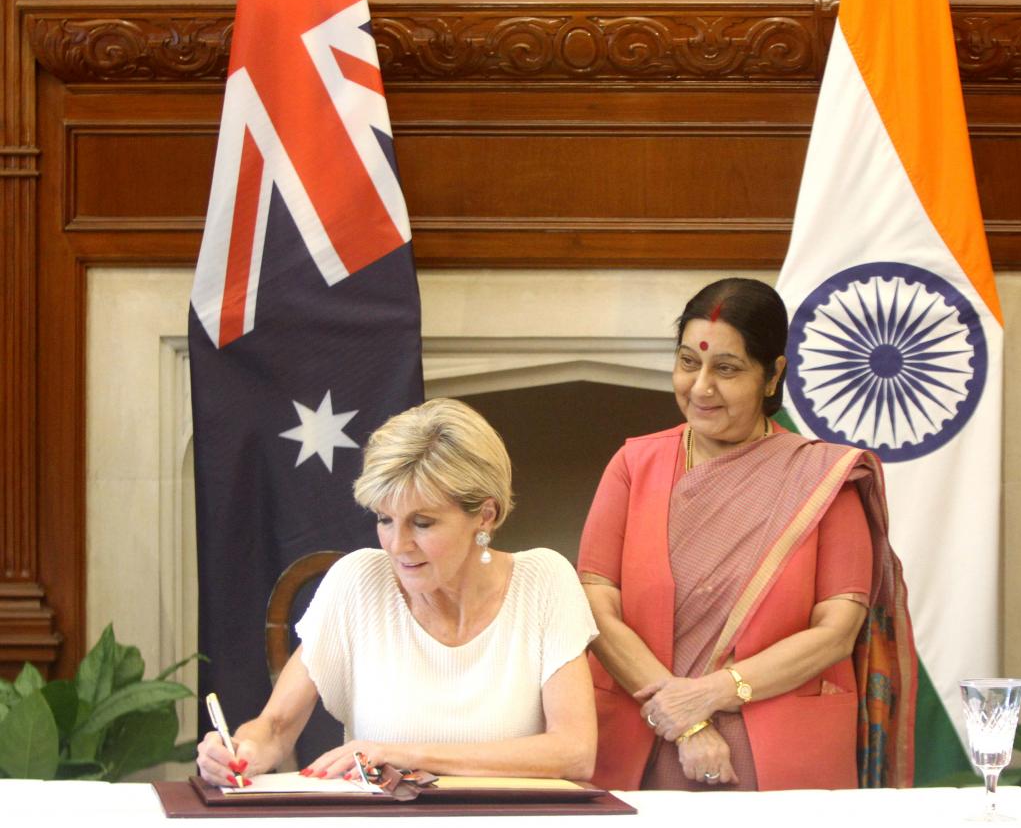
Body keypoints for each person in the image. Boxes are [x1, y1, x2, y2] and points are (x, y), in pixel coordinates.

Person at [578, 278, 916, 791]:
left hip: (783, 756)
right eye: (689, 362)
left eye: (727, 369)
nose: (700, 387)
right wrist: (684, 717)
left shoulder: (825, 479)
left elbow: (835, 632)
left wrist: (711, 694)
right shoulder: (634, 464)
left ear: (773, 373)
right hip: (644, 736)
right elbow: (595, 608)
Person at [197, 398, 599, 785]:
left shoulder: (545, 580)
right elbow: (276, 728)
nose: (397, 545)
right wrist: (239, 751)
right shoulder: (356, 581)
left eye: (422, 523)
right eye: (385, 519)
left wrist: (406, 755)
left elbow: (575, 752)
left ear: (486, 516)